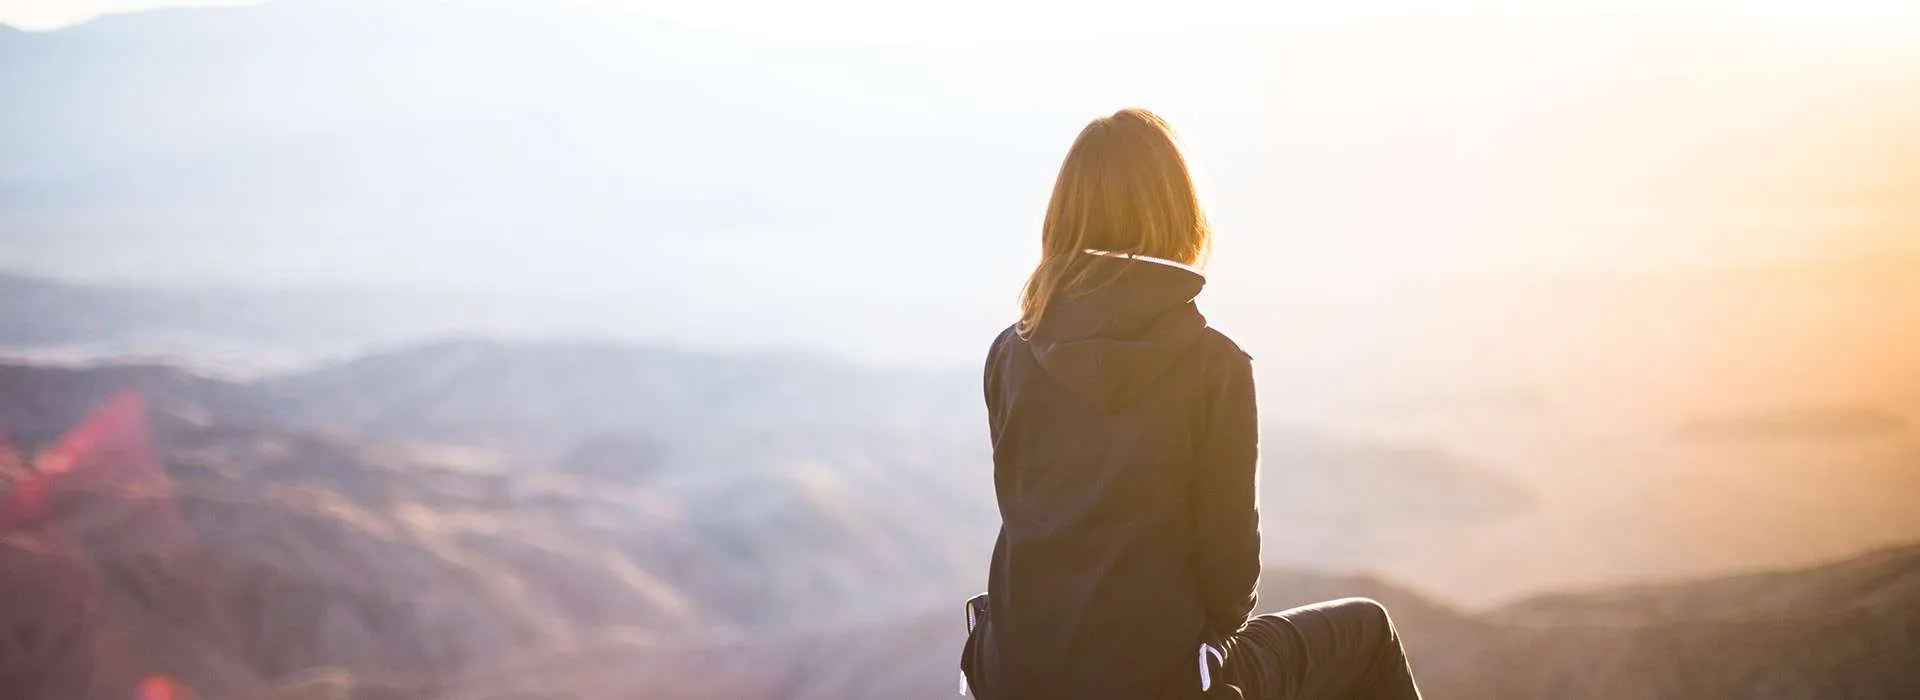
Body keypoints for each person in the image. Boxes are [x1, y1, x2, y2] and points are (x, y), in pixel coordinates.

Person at [959, 108, 1423, 700]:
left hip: (1014, 677)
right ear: (1178, 214)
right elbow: (1231, 582)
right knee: (1369, 629)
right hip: (1159, 681)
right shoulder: (1214, 368)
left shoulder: (1009, 354)